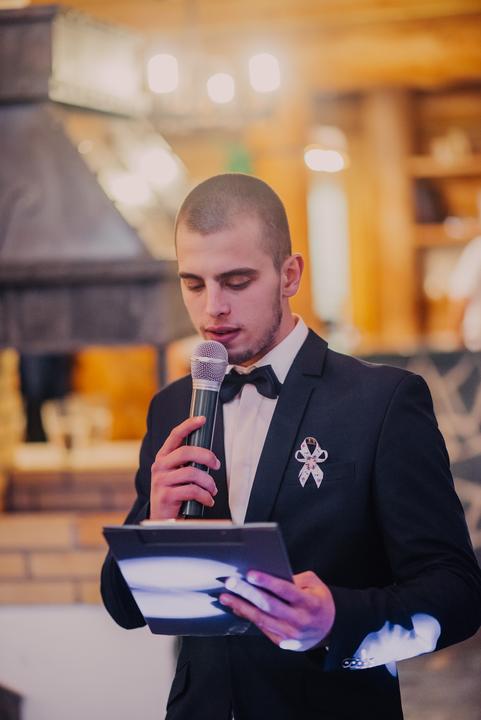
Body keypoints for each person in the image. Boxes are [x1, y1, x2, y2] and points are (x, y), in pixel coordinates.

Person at [101, 173, 481, 720]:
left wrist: (337, 622)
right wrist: (151, 526)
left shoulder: (383, 402)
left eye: (236, 281)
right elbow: (124, 608)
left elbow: (458, 593)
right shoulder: (171, 406)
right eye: (194, 284)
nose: (212, 309)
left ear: (289, 274)